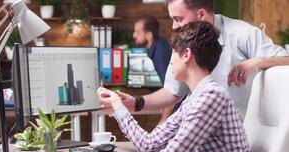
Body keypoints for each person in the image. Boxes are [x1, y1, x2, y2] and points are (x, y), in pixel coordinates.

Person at [97, 21, 255, 152]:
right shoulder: (193, 98)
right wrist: (118, 105)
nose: (170, 61)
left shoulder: (211, 97)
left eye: (173, 52)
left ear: (187, 55)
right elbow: (147, 144)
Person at [114, 0, 289, 121]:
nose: (174, 26)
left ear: (201, 14)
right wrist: (136, 102)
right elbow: (172, 92)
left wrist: (256, 62)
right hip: (204, 139)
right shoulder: (184, 42)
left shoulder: (244, 34)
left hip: (243, 139)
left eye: (178, 19)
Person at [132, 16, 174, 122]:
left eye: (137, 32)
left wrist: (163, 122)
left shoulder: (160, 54)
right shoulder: (159, 46)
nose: (134, 35)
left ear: (149, 35)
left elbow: (173, 90)